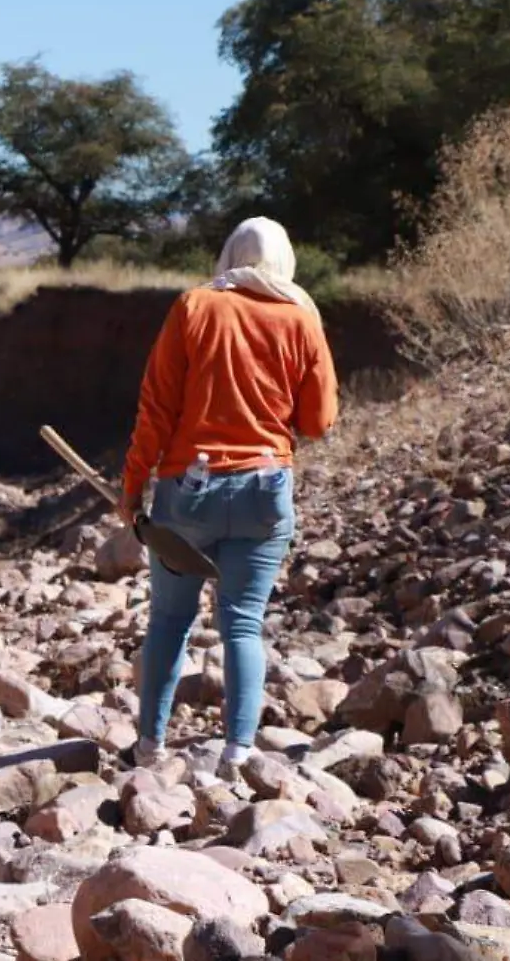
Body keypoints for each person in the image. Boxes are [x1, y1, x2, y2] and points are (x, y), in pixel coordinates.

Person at [120, 217, 337, 777]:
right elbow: (318, 422)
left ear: (229, 255)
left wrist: (132, 487)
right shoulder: (302, 319)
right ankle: (238, 753)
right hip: (266, 490)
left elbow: (156, 409)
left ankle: (149, 748)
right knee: (243, 624)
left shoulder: (194, 307)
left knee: (170, 619)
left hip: (187, 492)